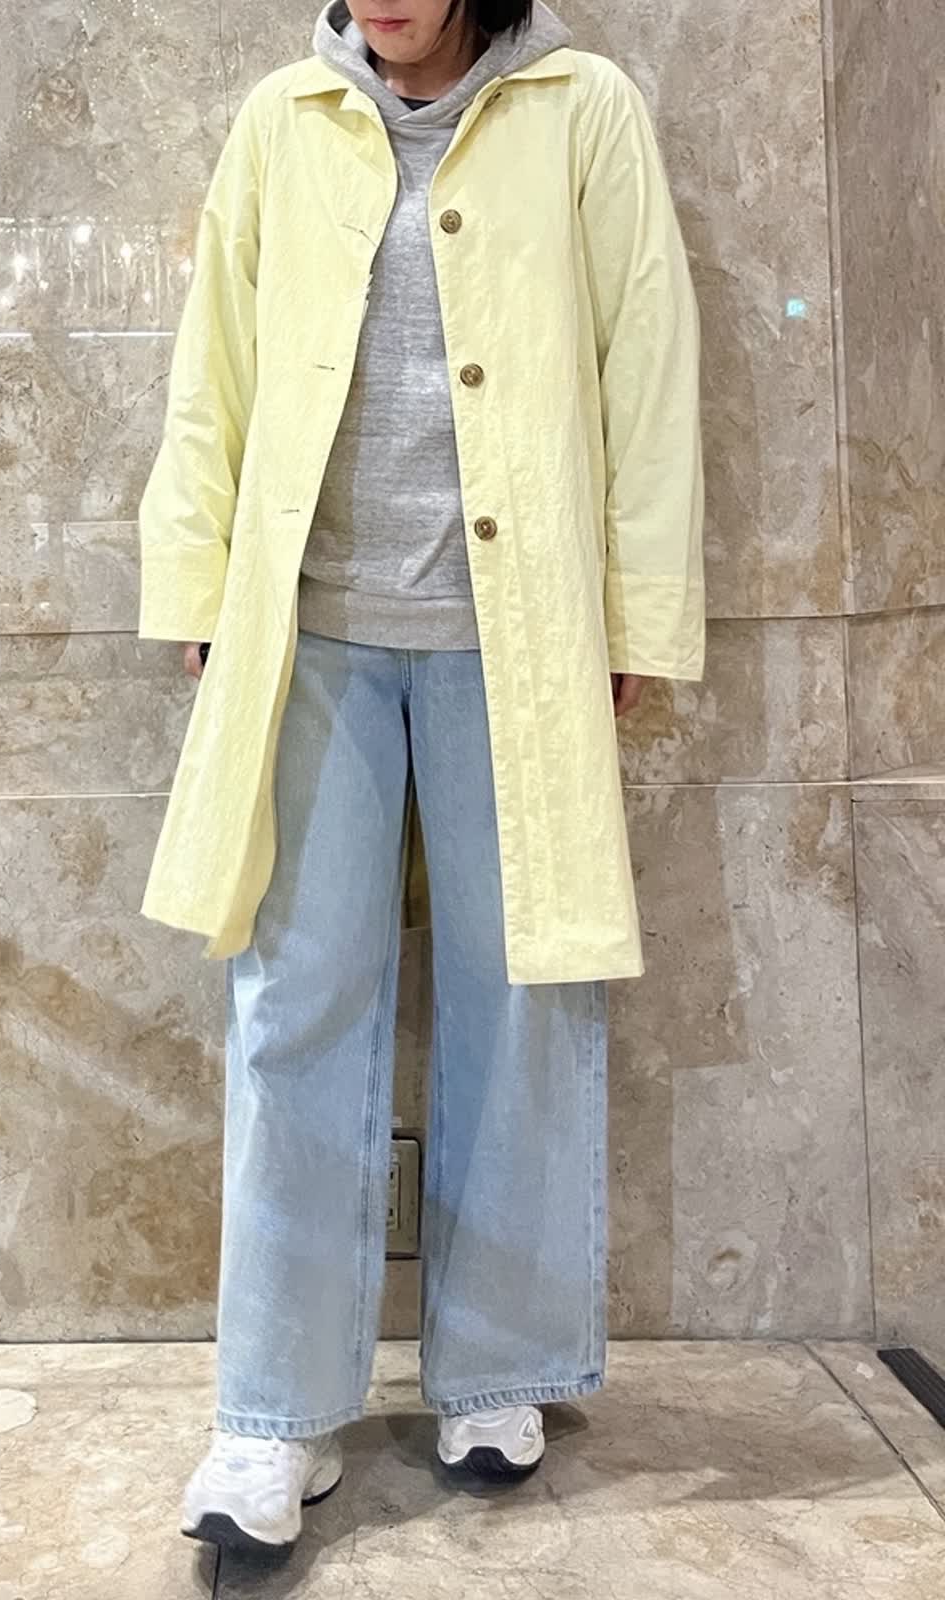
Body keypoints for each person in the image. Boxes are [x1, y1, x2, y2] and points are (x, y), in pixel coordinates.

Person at [135, 0, 704, 1557]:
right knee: (295, 1000)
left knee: (523, 994)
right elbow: (214, 365)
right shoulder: (282, 120)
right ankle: (274, 1414)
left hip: (513, 639)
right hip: (310, 635)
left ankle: (500, 1374)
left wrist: (638, 615)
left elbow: (648, 364)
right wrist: (195, 583)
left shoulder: (581, 107)